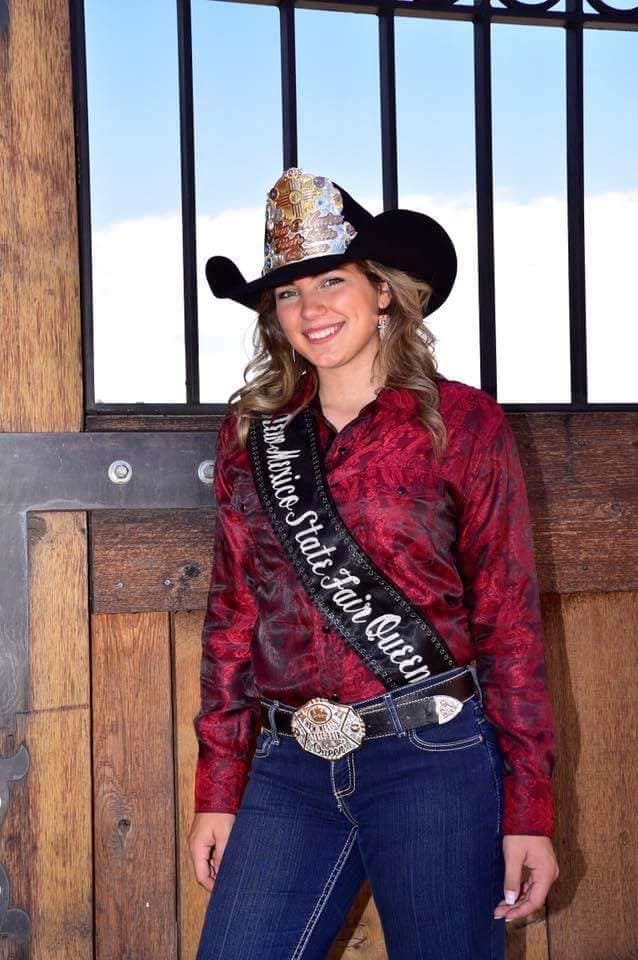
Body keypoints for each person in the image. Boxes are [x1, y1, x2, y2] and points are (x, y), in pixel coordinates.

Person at [189, 167, 559, 960]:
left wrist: (529, 806)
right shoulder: (255, 436)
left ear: (382, 291)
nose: (310, 309)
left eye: (330, 280)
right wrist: (219, 786)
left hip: (432, 763)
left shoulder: (462, 422)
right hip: (290, 767)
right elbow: (232, 620)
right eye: (287, 293)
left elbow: (508, 622)